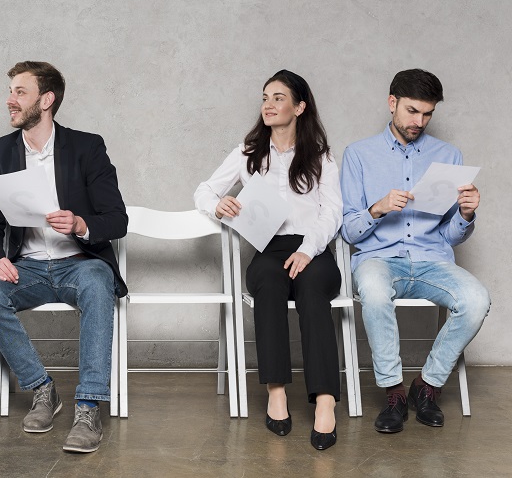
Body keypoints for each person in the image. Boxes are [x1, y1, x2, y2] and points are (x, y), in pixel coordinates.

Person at [0, 61, 127, 454]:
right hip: (28, 268)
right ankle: (43, 389)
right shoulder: (0, 151)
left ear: (46, 100)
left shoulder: (86, 146)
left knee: (97, 281)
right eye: (10, 90)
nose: (10, 99)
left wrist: (79, 224)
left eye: (20, 92)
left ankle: (89, 405)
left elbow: (117, 219)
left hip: (80, 263)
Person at [194, 70, 343, 450]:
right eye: (265, 97)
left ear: (300, 106)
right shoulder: (248, 153)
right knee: (269, 285)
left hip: (314, 248)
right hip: (269, 249)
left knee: (312, 292)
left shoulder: (321, 157)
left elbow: (333, 213)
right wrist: (218, 204)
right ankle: (277, 392)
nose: (269, 105)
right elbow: (204, 191)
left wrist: (308, 249)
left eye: (279, 97)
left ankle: (325, 401)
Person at [340, 68, 490, 434]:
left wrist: (467, 214)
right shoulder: (358, 154)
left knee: (477, 298)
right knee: (374, 292)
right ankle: (394, 392)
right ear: (392, 103)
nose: (418, 121)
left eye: (427, 114)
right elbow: (347, 231)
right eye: (411, 111)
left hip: (431, 260)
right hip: (378, 258)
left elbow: (451, 236)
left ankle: (428, 385)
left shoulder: (448, 155)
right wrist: (376, 208)